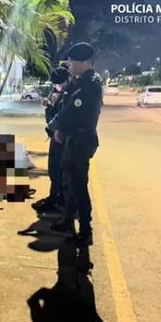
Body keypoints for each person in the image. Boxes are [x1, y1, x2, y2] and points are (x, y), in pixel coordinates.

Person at [46, 42, 103, 246]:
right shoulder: (78, 82)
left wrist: (55, 126)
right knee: (69, 184)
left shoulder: (89, 86)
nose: (69, 65)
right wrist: (59, 129)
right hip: (71, 140)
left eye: (71, 61)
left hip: (80, 142)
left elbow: (71, 112)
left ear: (82, 62)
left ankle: (86, 231)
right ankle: (68, 221)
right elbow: (65, 106)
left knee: (79, 187)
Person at [32, 66, 72, 213]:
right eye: (55, 84)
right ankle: (57, 197)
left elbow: (60, 117)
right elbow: (51, 118)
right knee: (54, 169)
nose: (57, 87)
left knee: (58, 170)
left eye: (59, 84)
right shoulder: (56, 92)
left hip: (62, 138)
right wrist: (49, 105)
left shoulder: (69, 94)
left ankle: (56, 199)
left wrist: (51, 105)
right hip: (55, 136)